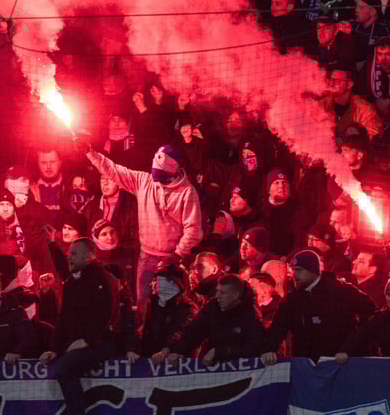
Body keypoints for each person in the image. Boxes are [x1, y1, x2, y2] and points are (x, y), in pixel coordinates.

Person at [82, 142, 202, 308]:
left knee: (169, 304)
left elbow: (193, 229)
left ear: (174, 171)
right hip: (146, 256)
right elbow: (114, 170)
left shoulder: (187, 193)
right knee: (142, 302)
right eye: (155, 174)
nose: (156, 180)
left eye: (161, 176)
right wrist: (90, 152)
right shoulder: (144, 181)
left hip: (172, 258)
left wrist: (177, 254)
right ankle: (143, 331)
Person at [38, 238, 117, 415]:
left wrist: (86, 340)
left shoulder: (102, 278)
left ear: (88, 256)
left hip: (100, 343)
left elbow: (105, 314)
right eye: (68, 253)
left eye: (73, 253)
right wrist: (55, 349)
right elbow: (63, 318)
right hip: (77, 343)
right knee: (58, 364)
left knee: (64, 369)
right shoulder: (71, 282)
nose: (69, 257)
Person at [263, 250, 376, 363]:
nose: (295, 275)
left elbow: (370, 312)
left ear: (313, 271)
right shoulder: (292, 299)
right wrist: (269, 349)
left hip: (338, 363)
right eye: (293, 270)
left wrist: (351, 346)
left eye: (299, 270)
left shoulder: (340, 291)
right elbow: (278, 327)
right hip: (307, 365)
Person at [160, 274, 264, 366]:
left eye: (222, 293)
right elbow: (194, 331)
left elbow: (254, 347)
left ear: (236, 296)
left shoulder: (252, 315)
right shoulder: (213, 306)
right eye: (217, 291)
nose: (217, 296)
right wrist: (176, 351)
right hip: (213, 366)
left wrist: (219, 352)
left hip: (240, 370)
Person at [139, 263, 196, 359]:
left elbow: (181, 331)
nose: (162, 285)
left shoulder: (188, 308)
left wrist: (166, 349)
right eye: (160, 281)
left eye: (169, 281)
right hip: (149, 358)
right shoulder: (151, 304)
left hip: (174, 360)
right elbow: (141, 329)